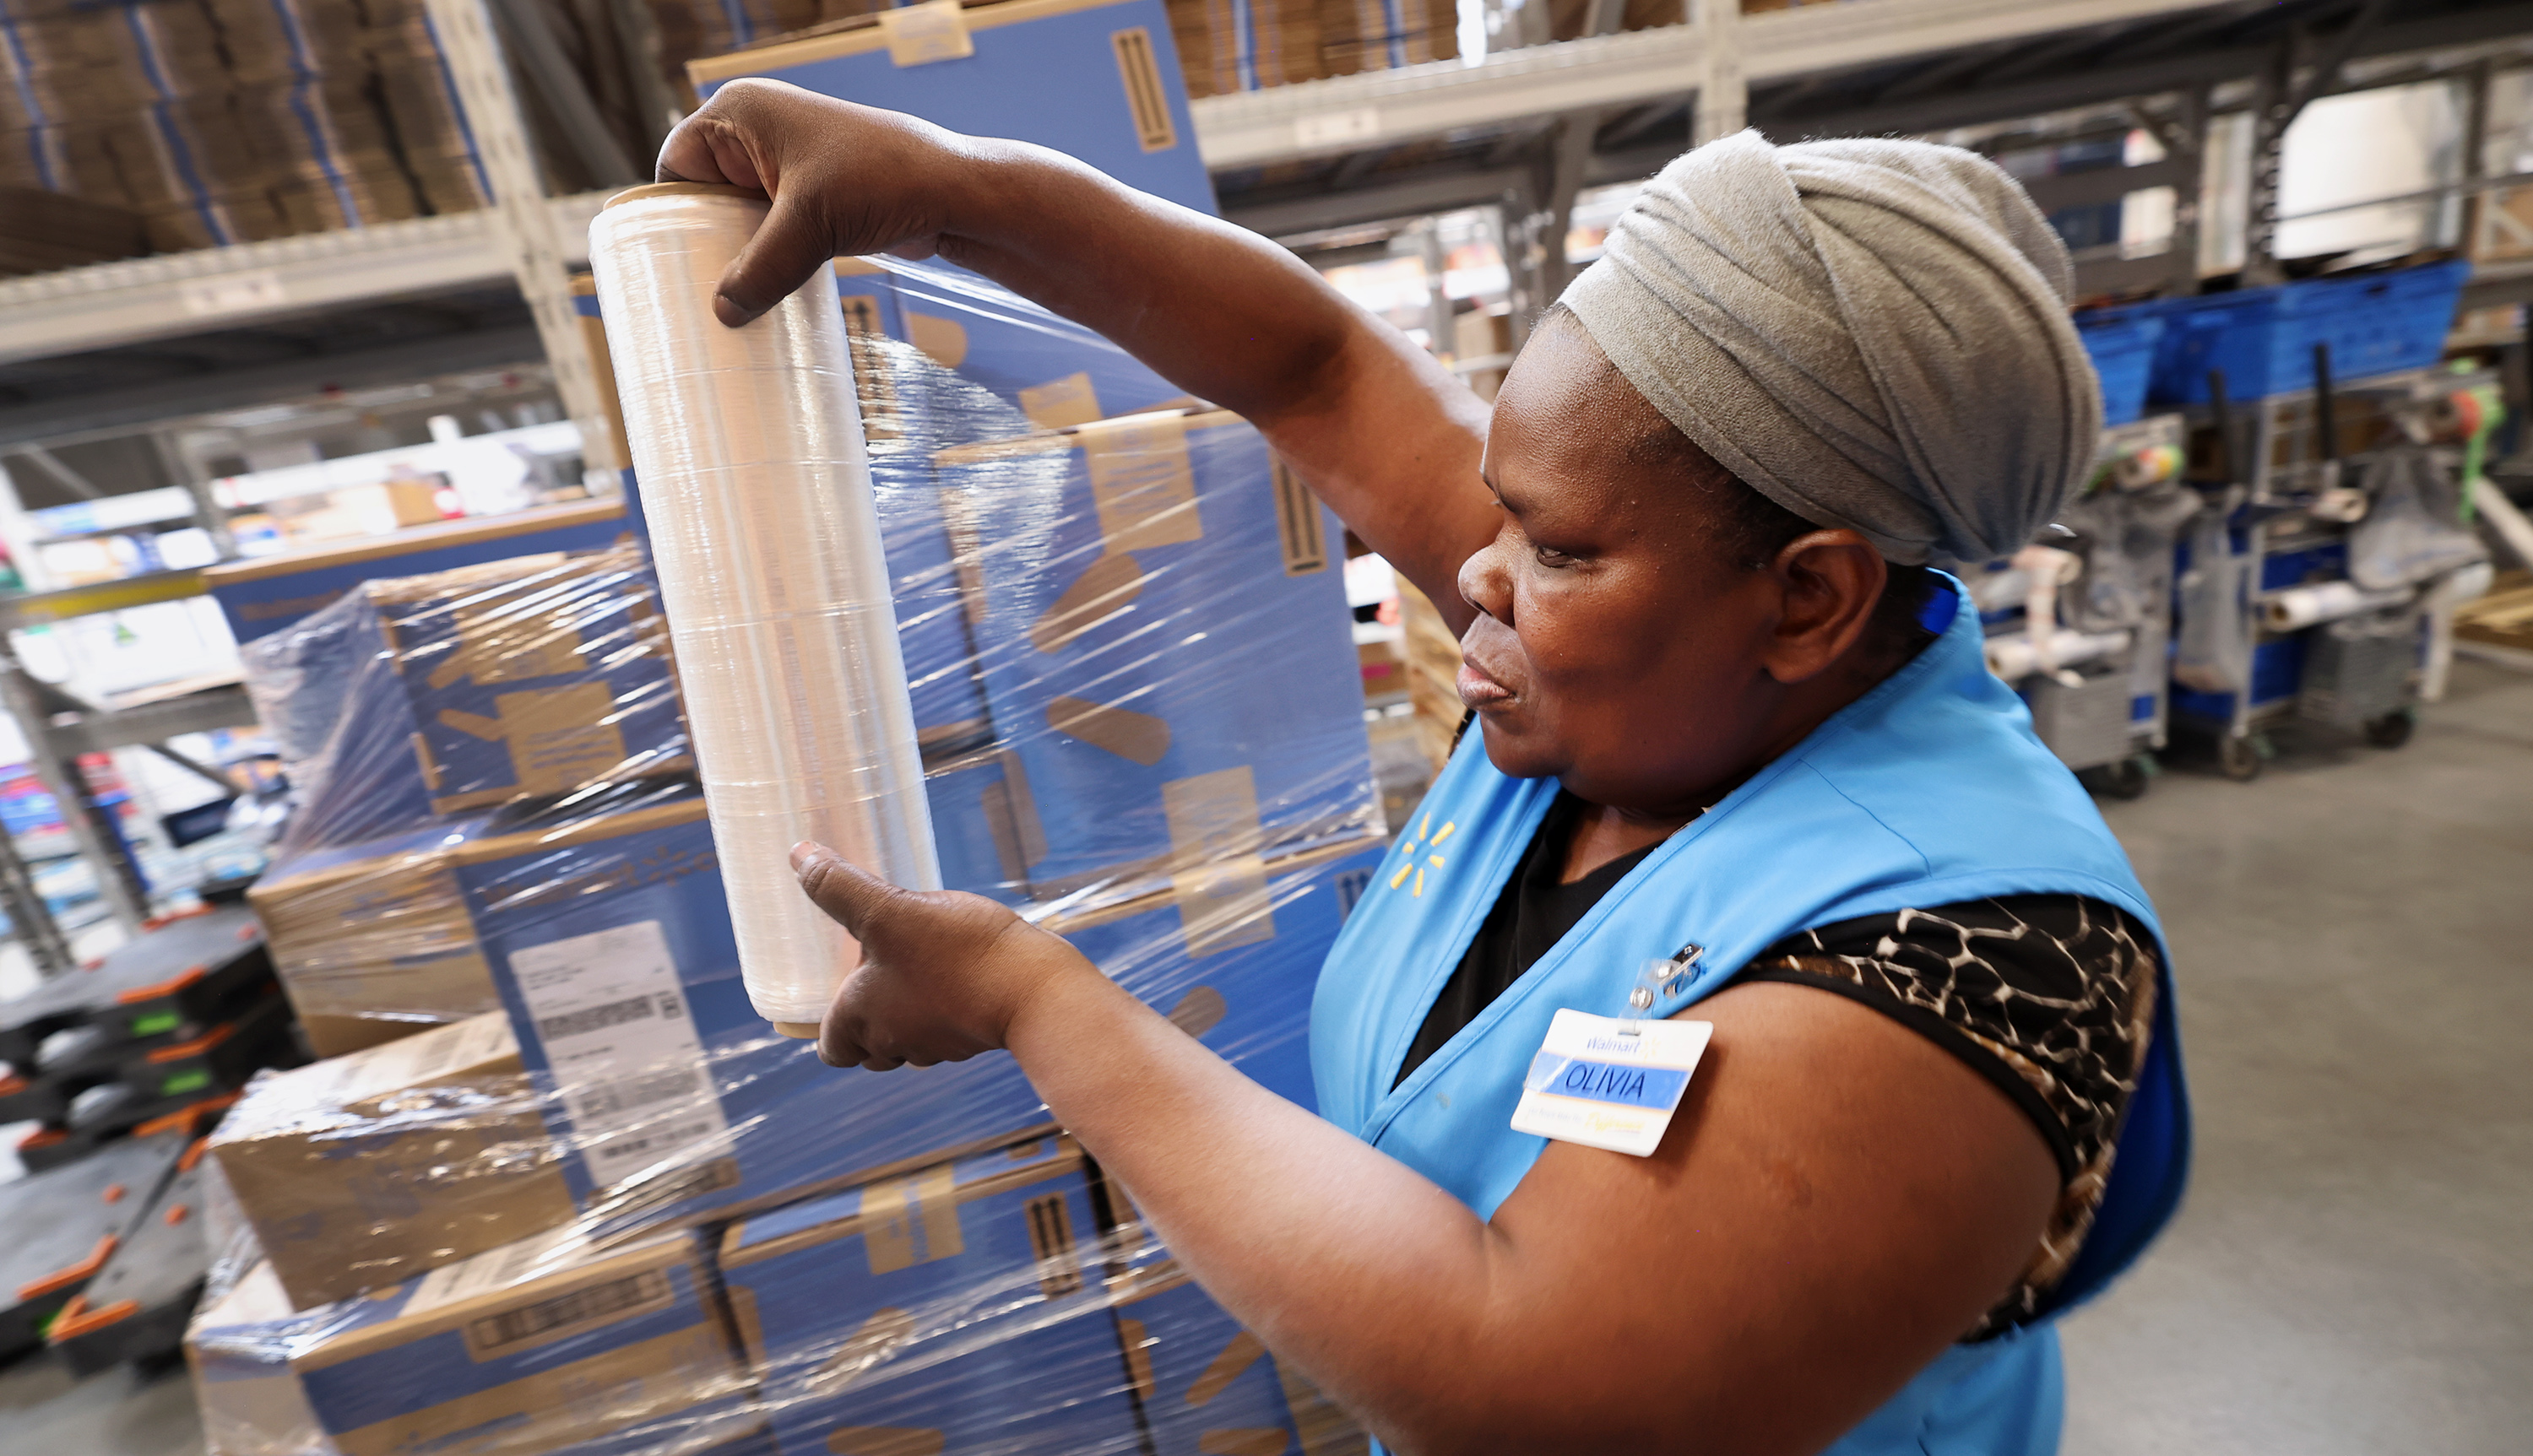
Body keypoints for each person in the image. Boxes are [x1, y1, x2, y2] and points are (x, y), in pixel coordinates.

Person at [661, 79, 2189, 1455]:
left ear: (1810, 597)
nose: (1476, 575)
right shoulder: (1637, 682)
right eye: (1502, 511)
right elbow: (1317, 366)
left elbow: (1526, 1385)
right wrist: (951, 185)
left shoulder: (1976, 954)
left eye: (1558, 548)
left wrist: (1033, 999)